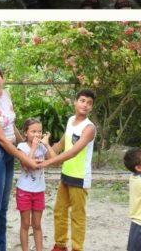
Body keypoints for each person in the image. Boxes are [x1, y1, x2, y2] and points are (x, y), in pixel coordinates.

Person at [0, 65, 39, 251]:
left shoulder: (7, 96)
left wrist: (23, 147)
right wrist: (24, 158)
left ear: (3, 79)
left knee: (3, 207)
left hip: (8, 153)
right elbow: (2, 139)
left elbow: (11, 128)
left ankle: (1, 247)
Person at [44, 89, 97, 251]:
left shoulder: (89, 128)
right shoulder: (70, 120)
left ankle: (76, 248)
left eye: (89, 103)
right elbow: (61, 144)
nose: (85, 105)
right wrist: (45, 146)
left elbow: (73, 151)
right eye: (82, 100)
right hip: (66, 175)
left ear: (91, 108)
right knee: (59, 211)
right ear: (75, 102)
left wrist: (49, 162)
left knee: (77, 216)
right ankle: (60, 245)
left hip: (80, 178)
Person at [14, 118, 52, 251]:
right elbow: (26, 166)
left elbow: (54, 160)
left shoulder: (42, 147)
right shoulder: (21, 147)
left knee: (37, 225)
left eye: (39, 131)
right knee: (25, 224)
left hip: (39, 191)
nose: (37, 134)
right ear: (25, 133)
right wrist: (34, 148)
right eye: (33, 131)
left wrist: (47, 145)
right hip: (24, 190)